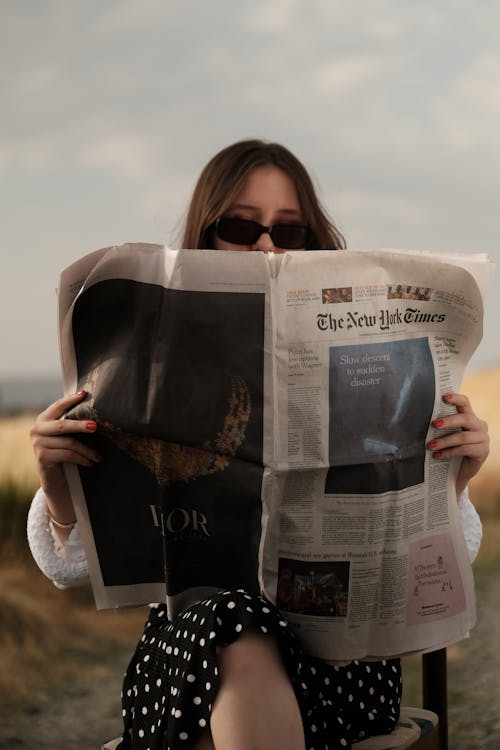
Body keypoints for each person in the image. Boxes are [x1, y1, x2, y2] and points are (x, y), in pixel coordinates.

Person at [28, 139, 488, 750]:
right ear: (205, 235)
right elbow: (74, 571)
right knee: (233, 622)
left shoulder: (379, 364)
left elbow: (430, 561)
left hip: (335, 669)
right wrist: (60, 492)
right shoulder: (148, 366)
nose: (267, 246)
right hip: (190, 656)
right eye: (241, 227)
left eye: (290, 232)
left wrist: (454, 480)